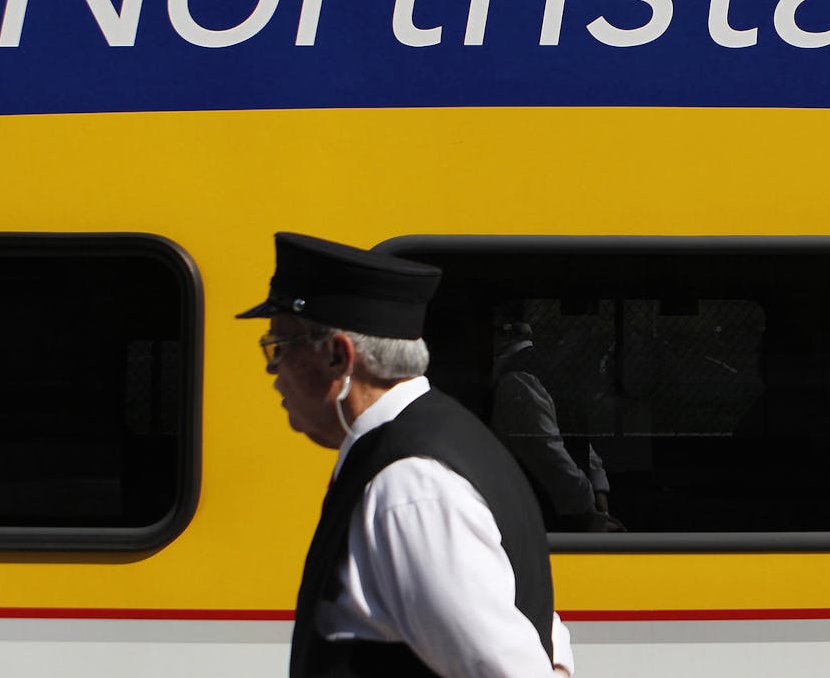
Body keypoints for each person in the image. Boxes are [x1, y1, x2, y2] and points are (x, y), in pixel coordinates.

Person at [237, 232, 574, 678]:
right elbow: (537, 634)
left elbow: (509, 669)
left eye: (279, 347)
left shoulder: (409, 484)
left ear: (338, 357)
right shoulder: (450, 437)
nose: (272, 371)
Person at [490, 321, 622, 533]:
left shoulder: (518, 378)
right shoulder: (548, 371)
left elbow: (547, 450)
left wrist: (588, 510)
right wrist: (596, 492)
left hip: (544, 514)